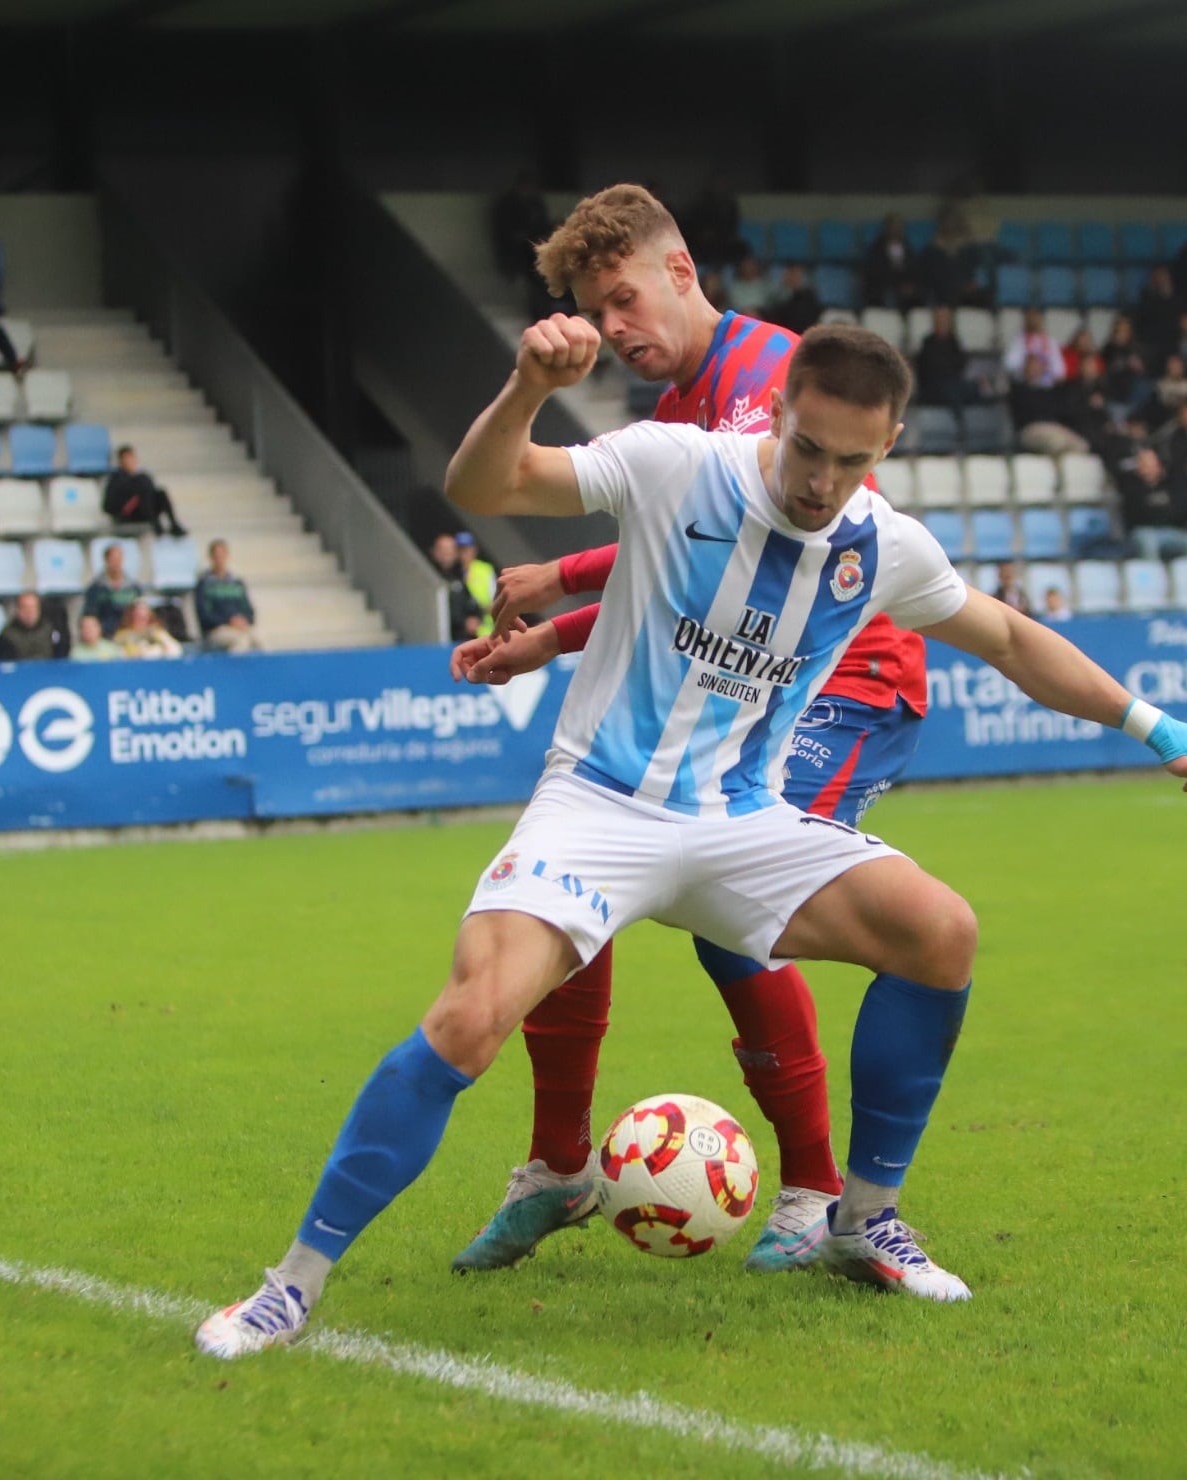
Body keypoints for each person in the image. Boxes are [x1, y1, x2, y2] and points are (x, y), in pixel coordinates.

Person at [192, 317, 1187, 1360]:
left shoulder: (884, 546)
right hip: (600, 804)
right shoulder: (674, 465)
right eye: (809, 447)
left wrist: (1149, 723)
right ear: (777, 412)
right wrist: (524, 387)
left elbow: (1007, 636)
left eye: (853, 460)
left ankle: (860, 1219)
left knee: (940, 932)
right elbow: (486, 487)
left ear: (891, 445)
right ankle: (289, 1286)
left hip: (743, 822)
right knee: (469, 1018)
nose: (822, 480)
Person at [425, 184, 949, 1279]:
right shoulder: (675, 421)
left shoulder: (765, 377)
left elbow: (756, 546)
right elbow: (685, 570)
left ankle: (813, 1188)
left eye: (622, 298)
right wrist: (551, 636)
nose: (615, 328)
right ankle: (560, 1162)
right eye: (593, 309)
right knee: (572, 878)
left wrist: (560, 577)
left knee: (732, 916)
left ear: (680, 271)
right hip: (745, 683)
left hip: (842, 682)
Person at [1115, 446, 1187, 561]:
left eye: (1150, 462)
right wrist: (1160, 512)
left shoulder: (1169, 485)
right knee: (1149, 542)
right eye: (1143, 462)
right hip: (1143, 531)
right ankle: (1154, 578)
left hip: (1170, 530)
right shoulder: (1131, 486)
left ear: (1158, 465)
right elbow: (1136, 514)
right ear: (1138, 466)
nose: (1147, 466)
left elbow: (1178, 511)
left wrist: (1158, 511)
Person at [195, 540, 261, 653]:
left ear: (227, 556)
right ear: (211, 558)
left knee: (260, 638)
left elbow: (249, 611)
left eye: (222, 555)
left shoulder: (236, 583)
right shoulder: (204, 584)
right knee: (241, 641)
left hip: (239, 627)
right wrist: (228, 621)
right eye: (216, 556)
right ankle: (236, 670)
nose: (220, 559)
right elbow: (204, 616)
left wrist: (243, 620)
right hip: (216, 630)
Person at [103, 446, 185, 535]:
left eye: (131, 458)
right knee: (142, 492)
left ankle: (173, 524)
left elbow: (151, 493)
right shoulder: (115, 480)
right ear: (120, 461)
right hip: (128, 515)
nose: (129, 461)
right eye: (126, 459)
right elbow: (108, 506)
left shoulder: (143, 477)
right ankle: (154, 524)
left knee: (161, 492)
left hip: (146, 510)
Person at [911, 305, 973, 408]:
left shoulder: (954, 342)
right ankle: (960, 421)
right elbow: (927, 368)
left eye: (946, 319)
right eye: (940, 319)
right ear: (935, 322)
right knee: (951, 391)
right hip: (933, 386)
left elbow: (961, 364)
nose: (943, 322)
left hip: (954, 383)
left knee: (972, 388)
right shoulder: (928, 343)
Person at [82, 542, 146, 636]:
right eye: (113, 559)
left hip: (130, 633)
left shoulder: (134, 587)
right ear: (106, 560)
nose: (116, 563)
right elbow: (90, 615)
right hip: (106, 634)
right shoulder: (95, 588)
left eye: (119, 559)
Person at [431, 532, 485, 638]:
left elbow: (471, 603)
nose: (447, 554)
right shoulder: (430, 577)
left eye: (451, 550)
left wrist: (475, 618)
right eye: (443, 550)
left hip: (463, 639)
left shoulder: (458, 577)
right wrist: (462, 622)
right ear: (435, 552)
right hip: (441, 639)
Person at [0, 593, 60, 661]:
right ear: (18, 610)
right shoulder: (6, 637)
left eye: (33, 608)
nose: (29, 612)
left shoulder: (51, 630)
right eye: (25, 608)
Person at [763, 263, 821, 334]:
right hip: (784, 330)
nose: (794, 278)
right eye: (791, 274)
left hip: (804, 330)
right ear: (785, 276)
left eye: (797, 275)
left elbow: (813, 314)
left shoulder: (808, 294)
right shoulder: (778, 294)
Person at [116, 599, 182, 659]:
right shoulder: (122, 636)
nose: (140, 620)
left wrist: (156, 649)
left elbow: (176, 651)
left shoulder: (158, 632)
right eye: (137, 616)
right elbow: (118, 654)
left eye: (144, 617)